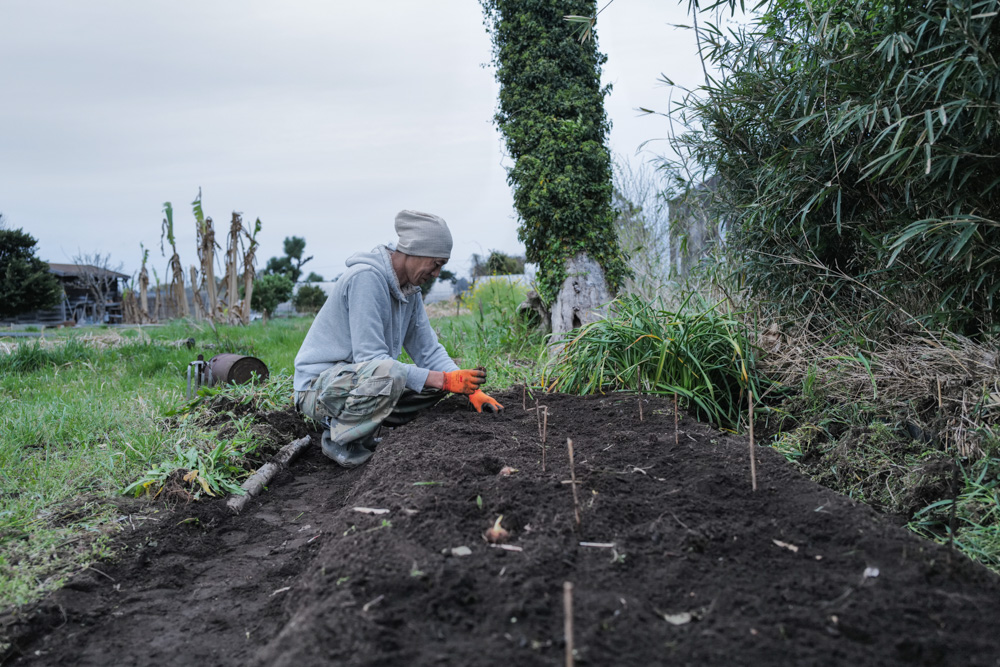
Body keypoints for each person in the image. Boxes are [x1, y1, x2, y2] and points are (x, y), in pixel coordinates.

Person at [293, 210, 504, 467]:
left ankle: (366, 426)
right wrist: (443, 380)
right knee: (396, 373)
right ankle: (341, 439)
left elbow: (428, 350)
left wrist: (468, 388)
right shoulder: (366, 279)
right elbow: (370, 359)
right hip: (318, 387)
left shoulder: (410, 291)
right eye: (435, 263)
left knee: (428, 381)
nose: (437, 273)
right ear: (414, 252)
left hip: (357, 380)